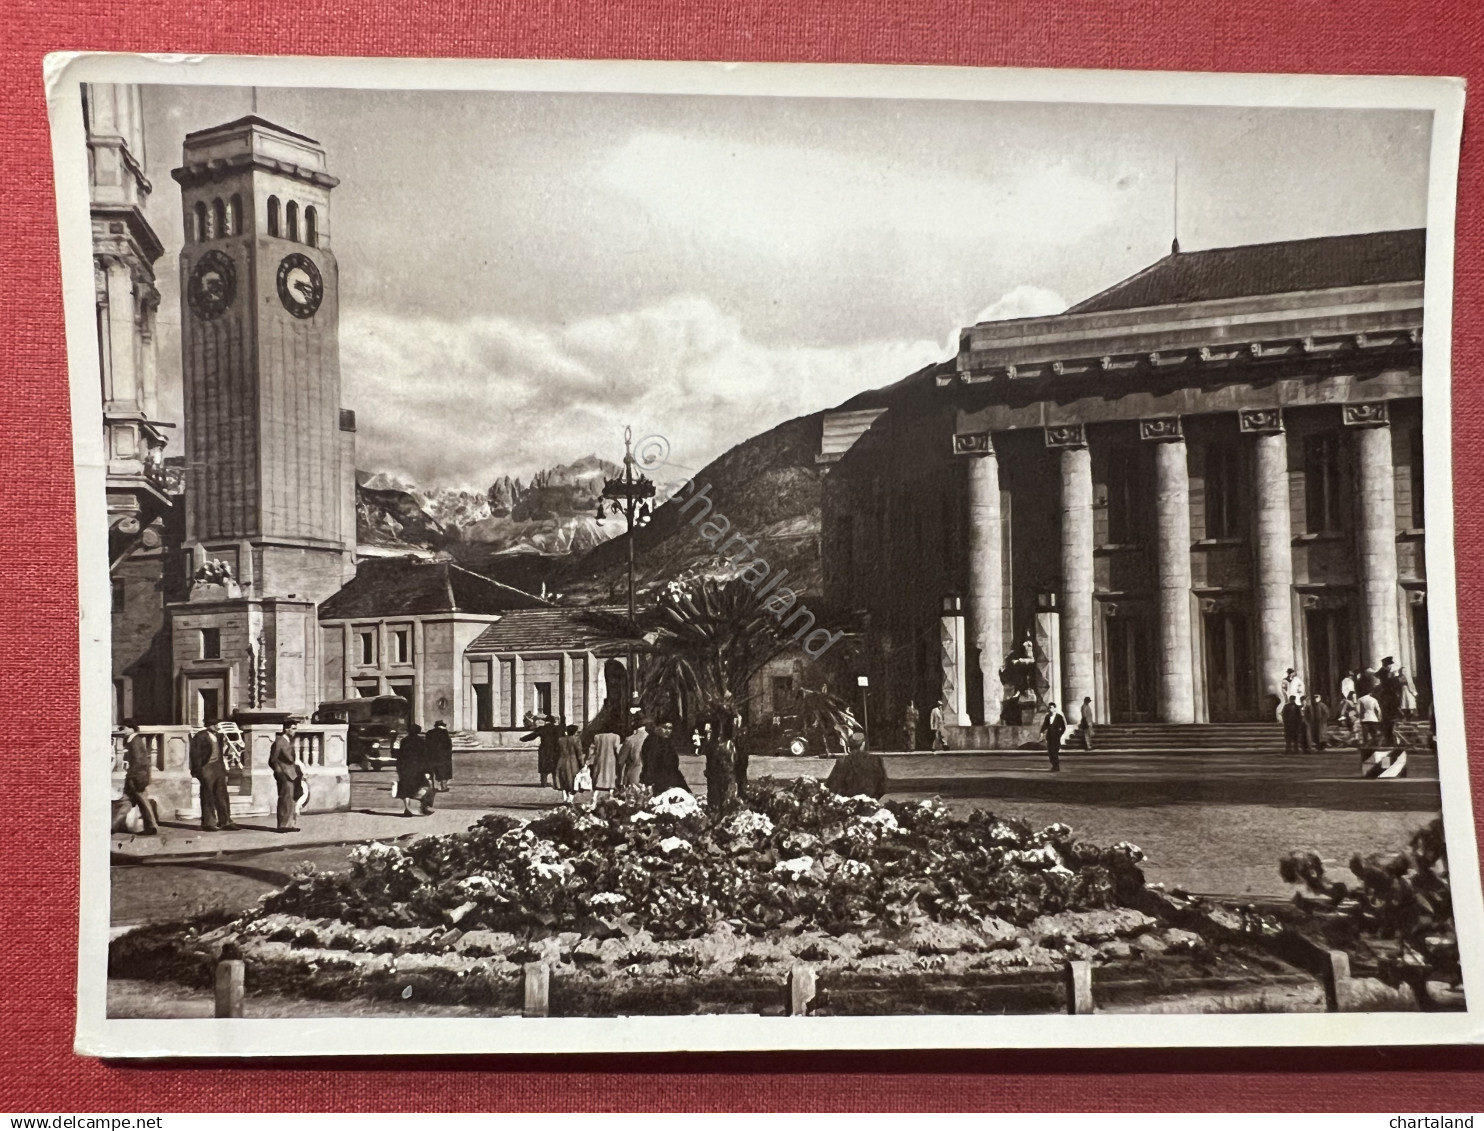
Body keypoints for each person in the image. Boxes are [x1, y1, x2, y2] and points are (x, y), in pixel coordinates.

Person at [188, 719, 237, 832]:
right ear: (210, 726)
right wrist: (199, 770)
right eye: (217, 725)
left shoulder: (219, 736)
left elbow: (221, 752)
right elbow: (195, 754)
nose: (218, 727)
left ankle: (225, 821)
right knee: (207, 796)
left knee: (222, 795)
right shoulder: (200, 736)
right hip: (206, 767)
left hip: (218, 767)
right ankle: (208, 823)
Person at [120, 720, 159, 835]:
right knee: (125, 801)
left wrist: (134, 777)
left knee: (143, 802)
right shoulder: (131, 740)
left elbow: (139, 761)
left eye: (125, 728)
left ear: (132, 728)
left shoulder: (135, 741)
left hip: (137, 777)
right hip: (133, 776)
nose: (124, 731)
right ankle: (113, 824)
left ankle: (152, 826)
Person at [825, 730, 888, 799]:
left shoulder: (842, 762)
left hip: (848, 803)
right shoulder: (875, 760)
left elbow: (831, 786)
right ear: (863, 744)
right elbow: (883, 786)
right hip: (870, 801)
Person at [267, 717, 303, 832]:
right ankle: (283, 825)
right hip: (284, 774)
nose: (294, 731)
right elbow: (273, 760)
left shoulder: (288, 741)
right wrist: (280, 774)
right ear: (286, 729)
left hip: (292, 773)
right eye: (293, 729)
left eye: (295, 729)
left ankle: (290, 824)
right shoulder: (279, 742)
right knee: (285, 799)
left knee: (291, 800)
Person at [640, 720, 689, 793]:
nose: (668, 731)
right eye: (665, 727)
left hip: (670, 780)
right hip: (657, 782)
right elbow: (650, 763)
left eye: (670, 728)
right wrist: (649, 782)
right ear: (657, 728)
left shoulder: (667, 742)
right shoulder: (652, 741)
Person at [395, 723, 433, 816]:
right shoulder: (421, 742)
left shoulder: (404, 741)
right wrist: (428, 770)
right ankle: (424, 806)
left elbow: (400, 755)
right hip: (418, 768)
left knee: (405, 789)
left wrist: (399, 768)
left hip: (405, 768)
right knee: (425, 786)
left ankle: (407, 809)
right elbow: (425, 757)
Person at [520, 714, 563, 788]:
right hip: (555, 750)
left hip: (544, 749)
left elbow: (532, 736)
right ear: (553, 722)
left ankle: (543, 783)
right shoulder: (558, 729)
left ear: (546, 722)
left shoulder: (542, 729)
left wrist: (523, 739)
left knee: (543, 767)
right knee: (554, 767)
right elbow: (563, 738)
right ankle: (556, 784)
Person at [1376, 656, 1403, 744]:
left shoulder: (1385, 672)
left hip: (1388, 696)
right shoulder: (1384, 672)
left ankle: (1389, 738)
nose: (1390, 666)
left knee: (1389, 719)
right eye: (1389, 664)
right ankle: (1389, 738)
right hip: (1387, 697)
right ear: (1386, 665)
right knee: (1389, 718)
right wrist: (1394, 678)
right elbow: (1388, 683)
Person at [589, 727, 620, 803]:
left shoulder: (597, 736)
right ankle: (610, 796)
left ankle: (595, 796)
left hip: (599, 758)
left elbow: (593, 749)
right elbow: (617, 749)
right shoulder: (615, 737)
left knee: (599, 776)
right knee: (611, 778)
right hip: (611, 759)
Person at [555, 724, 584, 802]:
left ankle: (565, 796)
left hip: (561, 761)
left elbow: (556, 752)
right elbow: (579, 754)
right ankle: (570, 798)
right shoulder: (576, 740)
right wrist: (582, 764)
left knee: (563, 779)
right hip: (573, 762)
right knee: (574, 781)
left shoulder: (560, 740)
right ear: (575, 732)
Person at [426, 719, 454, 792]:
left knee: (431, 771)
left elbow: (426, 744)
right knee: (443, 772)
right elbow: (448, 745)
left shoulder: (429, 732)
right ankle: (443, 787)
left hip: (431, 755)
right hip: (443, 756)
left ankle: (431, 787)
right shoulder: (444, 733)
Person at [1039, 701, 1066, 772]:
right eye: (1049, 708)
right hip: (1049, 737)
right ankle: (1054, 765)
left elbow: (1063, 727)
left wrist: (1060, 734)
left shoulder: (1059, 717)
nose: (1049, 709)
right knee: (1050, 752)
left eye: (1051, 708)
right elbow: (1045, 725)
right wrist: (1041, 732)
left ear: (1054, 708)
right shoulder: (1047, 717)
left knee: (1054, 752)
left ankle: (1056, 766)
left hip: (1056, 737)